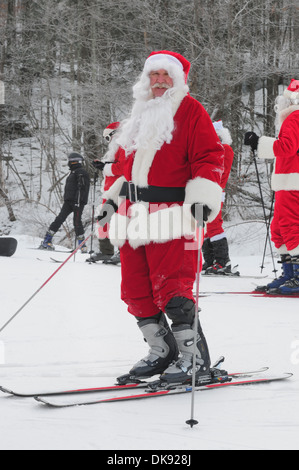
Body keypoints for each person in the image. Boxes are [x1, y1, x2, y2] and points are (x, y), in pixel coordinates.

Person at [98, 50, 224, 384]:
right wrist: (111, 200)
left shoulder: (191, 111)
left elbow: (210, 157)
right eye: (153, 75)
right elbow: (125, 167)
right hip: (133, 217)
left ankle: (194, 360)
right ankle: (162, 351)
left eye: (166, 75)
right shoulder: (139, 114)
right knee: (135, 291)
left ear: (179, 79)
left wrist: (203, 197)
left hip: (174, 217)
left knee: (174, 290)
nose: (159, 81)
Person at [244, 78, 299, 295]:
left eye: (285, 98)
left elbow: (287, 147)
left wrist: (259, 143)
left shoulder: (294, 117)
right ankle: (290, 272)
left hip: (292, 181)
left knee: (289, 226)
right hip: (287, 180)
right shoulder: (292, 118)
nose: (280, 102)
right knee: (279, 228)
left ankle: (296, 274)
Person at [88, 122, 125, 263]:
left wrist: (105, 167)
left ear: (114, 134)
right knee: (104, 219)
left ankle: (122, 252)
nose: (108, 143)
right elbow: (112, 166)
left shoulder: (124, 146)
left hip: (120, 190)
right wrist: (102, 166)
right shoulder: (115, 149)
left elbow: (122, 168)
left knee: (120, 221)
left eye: (107, 139)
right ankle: (106, 251)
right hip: (110, 190)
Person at [40, 152, 90, 252]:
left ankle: (82, 245)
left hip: (77, 202)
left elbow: (82, 188)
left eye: (69, 161)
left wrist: (78, 202)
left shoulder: (81, 172)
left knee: (77, 222)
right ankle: (47, 240)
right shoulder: (74, 172)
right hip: (68, 202)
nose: (68, 163)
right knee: (59, 219)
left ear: (73, 162)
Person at [202, 120, 235, 275]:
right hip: (205, 191)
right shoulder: (210, 151)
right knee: (206, 226)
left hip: (215, 191)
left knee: (214, 225)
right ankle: (210, 260)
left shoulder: (225, 149)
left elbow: (220, 171)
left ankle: (222, 261)